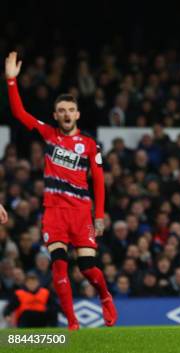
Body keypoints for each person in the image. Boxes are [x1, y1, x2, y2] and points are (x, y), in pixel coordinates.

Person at [5, 52, 117, 330]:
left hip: (81, 214)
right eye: (62, 111)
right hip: (54, 213)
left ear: (77, 114)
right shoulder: (49, 134)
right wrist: (11, 81)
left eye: (71, 110)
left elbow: (99, 182)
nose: (67, 114)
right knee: (58, 265)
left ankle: (104, 296)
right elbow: (19, 114)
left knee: (89, 269)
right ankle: (73, 322)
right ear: (56, 115)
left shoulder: (90, 145)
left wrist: (99, 216)